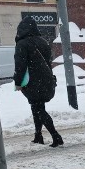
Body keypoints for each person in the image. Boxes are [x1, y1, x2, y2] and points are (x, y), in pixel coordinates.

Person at [14, 16, 62, 147]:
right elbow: (48, 62)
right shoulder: (43, 42)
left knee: (38, 109)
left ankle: (56, 136)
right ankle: (38, 135)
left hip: (33, 82)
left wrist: (18, 82)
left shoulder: (22, 44)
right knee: (37, 108)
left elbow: (20, 66)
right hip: (46, 80)